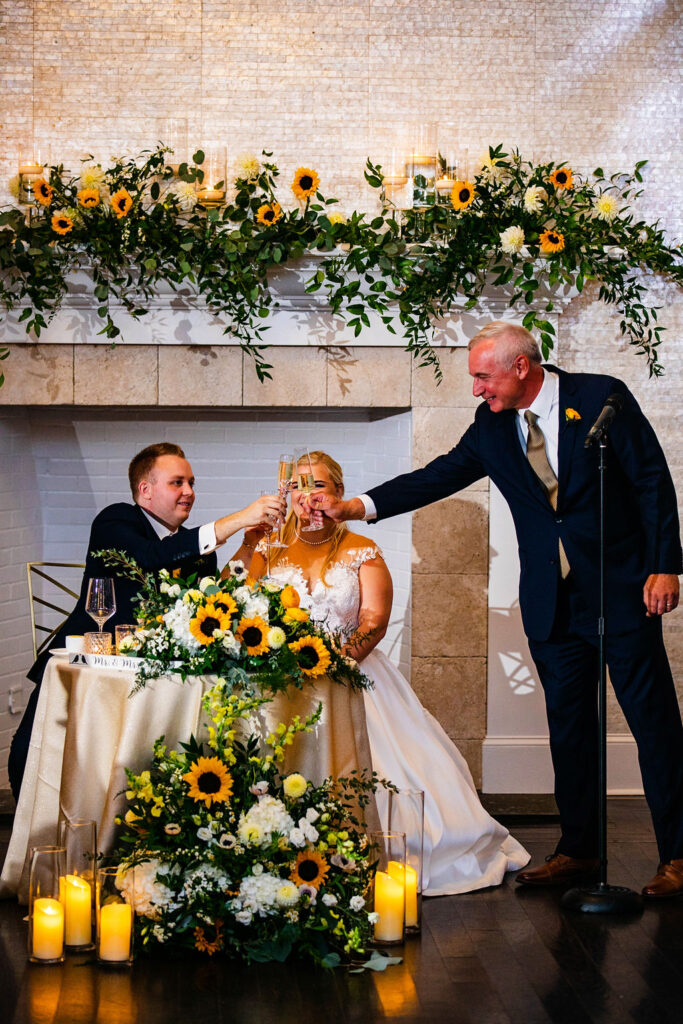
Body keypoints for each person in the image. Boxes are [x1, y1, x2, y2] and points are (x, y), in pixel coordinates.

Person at [306, 323, 683, 899]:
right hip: (551, 602)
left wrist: (665, 565)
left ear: (521, 367)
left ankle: (679, 856)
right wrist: (354, 506)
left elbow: (652, 481)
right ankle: (579, 851)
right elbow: (437, 476)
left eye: (483, 376)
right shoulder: (492, 427)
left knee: (654, 726)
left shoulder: (601, 398)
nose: (478, 389)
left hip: (624, 588)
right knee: (569, 732)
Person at [232, 450, 530, 895]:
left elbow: (373, 622)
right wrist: (247, 541)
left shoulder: (362, 550)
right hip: (284, 684)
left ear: (338, 493)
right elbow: (233, 600)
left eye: (317, 485)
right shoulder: (269, 547)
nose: (306, 495)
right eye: (296, 485)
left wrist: (332, 668)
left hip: (352, 675)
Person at [8, 442, 284, 801]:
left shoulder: (194, 551)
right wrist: (238, 518)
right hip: (89, 668)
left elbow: (214, 606)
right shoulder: (116, 520)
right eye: (177, 482)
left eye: (192, 482)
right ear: (145, 490)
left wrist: (248, 544)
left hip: (154, 684)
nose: (189, 492)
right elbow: (152, 557)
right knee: (33, 756)